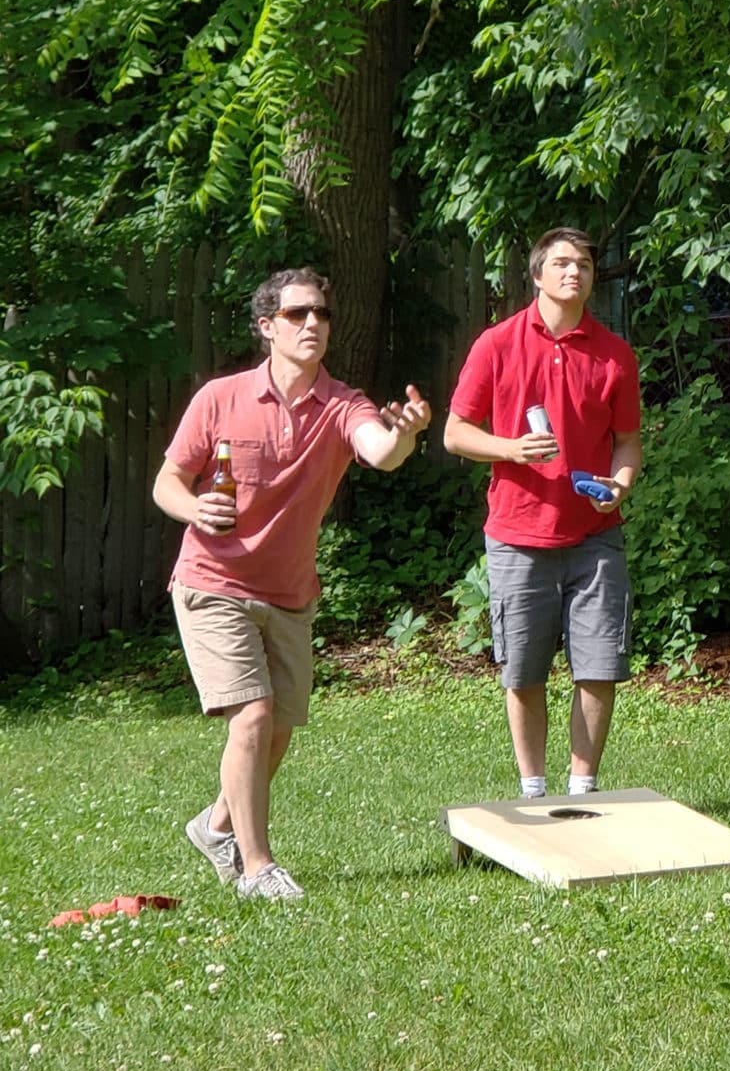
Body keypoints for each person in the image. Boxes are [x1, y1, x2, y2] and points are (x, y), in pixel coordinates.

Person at [153, 267, 431, 900]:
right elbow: (167, 482)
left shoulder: (342, 404)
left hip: (289, 591)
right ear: (266, 326)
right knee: (251, 716)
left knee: (276, 729)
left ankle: (216, 824)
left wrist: (406, 433)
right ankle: (257, 867)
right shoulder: (220, 398)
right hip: (213, 578)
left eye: (322, 316)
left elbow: (379, 450)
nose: (313, 325)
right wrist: (195, 509)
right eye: (299, 314)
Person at [443, 227, 642, 799]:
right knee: (524, 671)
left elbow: (627, 441)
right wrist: (509, 449)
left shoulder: (613, 354)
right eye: (560, 263)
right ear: (537, 275)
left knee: (600, 666)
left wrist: (620, 484)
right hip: (518, 534)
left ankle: (583, 788)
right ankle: (533, 789)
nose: (573, 272)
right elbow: (456, 433)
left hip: (595, 533)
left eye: (582, 263)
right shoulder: (497, 344)